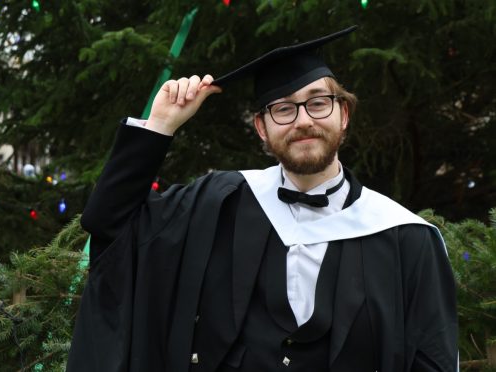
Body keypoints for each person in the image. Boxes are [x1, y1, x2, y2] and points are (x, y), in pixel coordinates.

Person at [67, 26, 458, 372]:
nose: (303, 120)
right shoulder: (217, 204)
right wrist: (159, 128)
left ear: (344, 115)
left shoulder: (408, 239)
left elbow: (433, 358)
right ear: (261, 128)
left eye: (318, 102)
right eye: (283, 109)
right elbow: (111, 225)